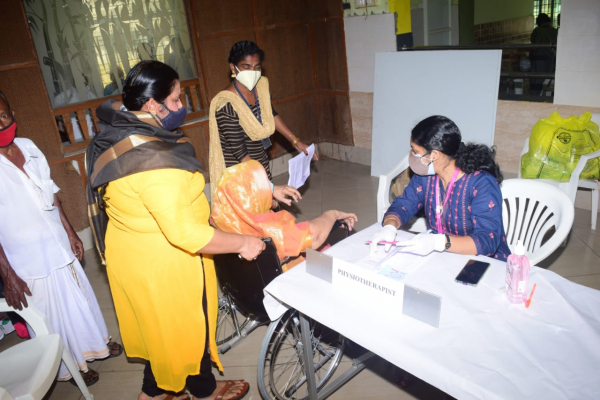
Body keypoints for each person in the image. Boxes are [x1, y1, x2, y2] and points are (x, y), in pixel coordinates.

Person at [86, 60, 265, 400]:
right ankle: (190, 391)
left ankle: (177, 390)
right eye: (177, 100)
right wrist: (243, 242)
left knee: (164, 332)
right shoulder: (153, 164)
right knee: (186, 326)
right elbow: (186, 234)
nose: (182, 107)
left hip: (134, 251)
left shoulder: (119, 129)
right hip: (165, 264)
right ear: (152, 105)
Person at [0, 91, 122, 386]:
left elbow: (51, 191)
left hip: (56, 243)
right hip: (27, 261)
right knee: (52, 315)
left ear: (12, 113)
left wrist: (69, 231)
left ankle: (98, 345)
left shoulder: (28, 147)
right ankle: (70, 368)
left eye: (2, 116)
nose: (0, 125)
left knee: (79, 299)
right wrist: (7, 274)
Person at [370, 115, 511, 262]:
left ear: (435, 155)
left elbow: (487, 241)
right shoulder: (426, 176)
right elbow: (404, 204)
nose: (412, 155)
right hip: (441, 256)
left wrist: (437, 242)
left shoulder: (481, 183)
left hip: (482, 262)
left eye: (415, 151)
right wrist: (390, 226)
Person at [209, 40, 317, 202]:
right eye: (246, 67)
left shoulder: (261, 88)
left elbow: (270, 114)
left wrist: (296, 141)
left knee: (268, 217)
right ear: (233, 67)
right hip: (241, 174)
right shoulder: (226, 104)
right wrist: (269, 189)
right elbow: (241, 154)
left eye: (257, 67)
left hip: (260, 163)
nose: (253, 71)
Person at [211, 160, 357, 269]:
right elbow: (314, 236)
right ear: (252, 199)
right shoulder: (272, 228)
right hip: (285, 282)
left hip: (247, 294)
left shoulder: (218, 227)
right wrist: (333, 213)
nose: (267, 189)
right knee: (326, 251)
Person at [530, 13, 558, 93]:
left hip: (538, 59)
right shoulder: (554, 31)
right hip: (551, 58)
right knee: (548, 78)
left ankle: (536, 95)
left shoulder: (537, 31)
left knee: (537, 78)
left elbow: (534, 45)